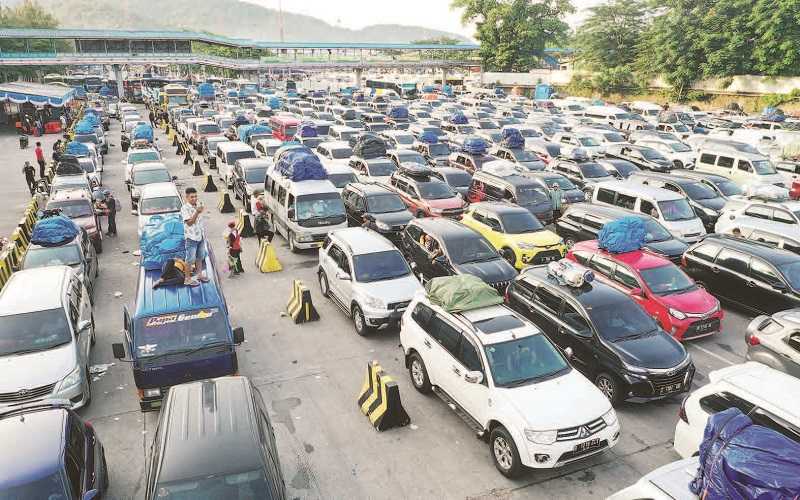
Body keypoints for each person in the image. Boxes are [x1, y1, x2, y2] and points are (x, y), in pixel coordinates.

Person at [181, 187, 208, 285]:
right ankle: (187, 279)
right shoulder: (184, 208)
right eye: (192, 197)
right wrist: (197, 212)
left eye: (195, 196)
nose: (194, 199)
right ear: (187, 197)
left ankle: (199, 275)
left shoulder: (198, 205)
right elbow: (189, 223)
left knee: (200, 256)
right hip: (191, 238)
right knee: (190, 259)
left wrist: (198, 210)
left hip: (200, 236)